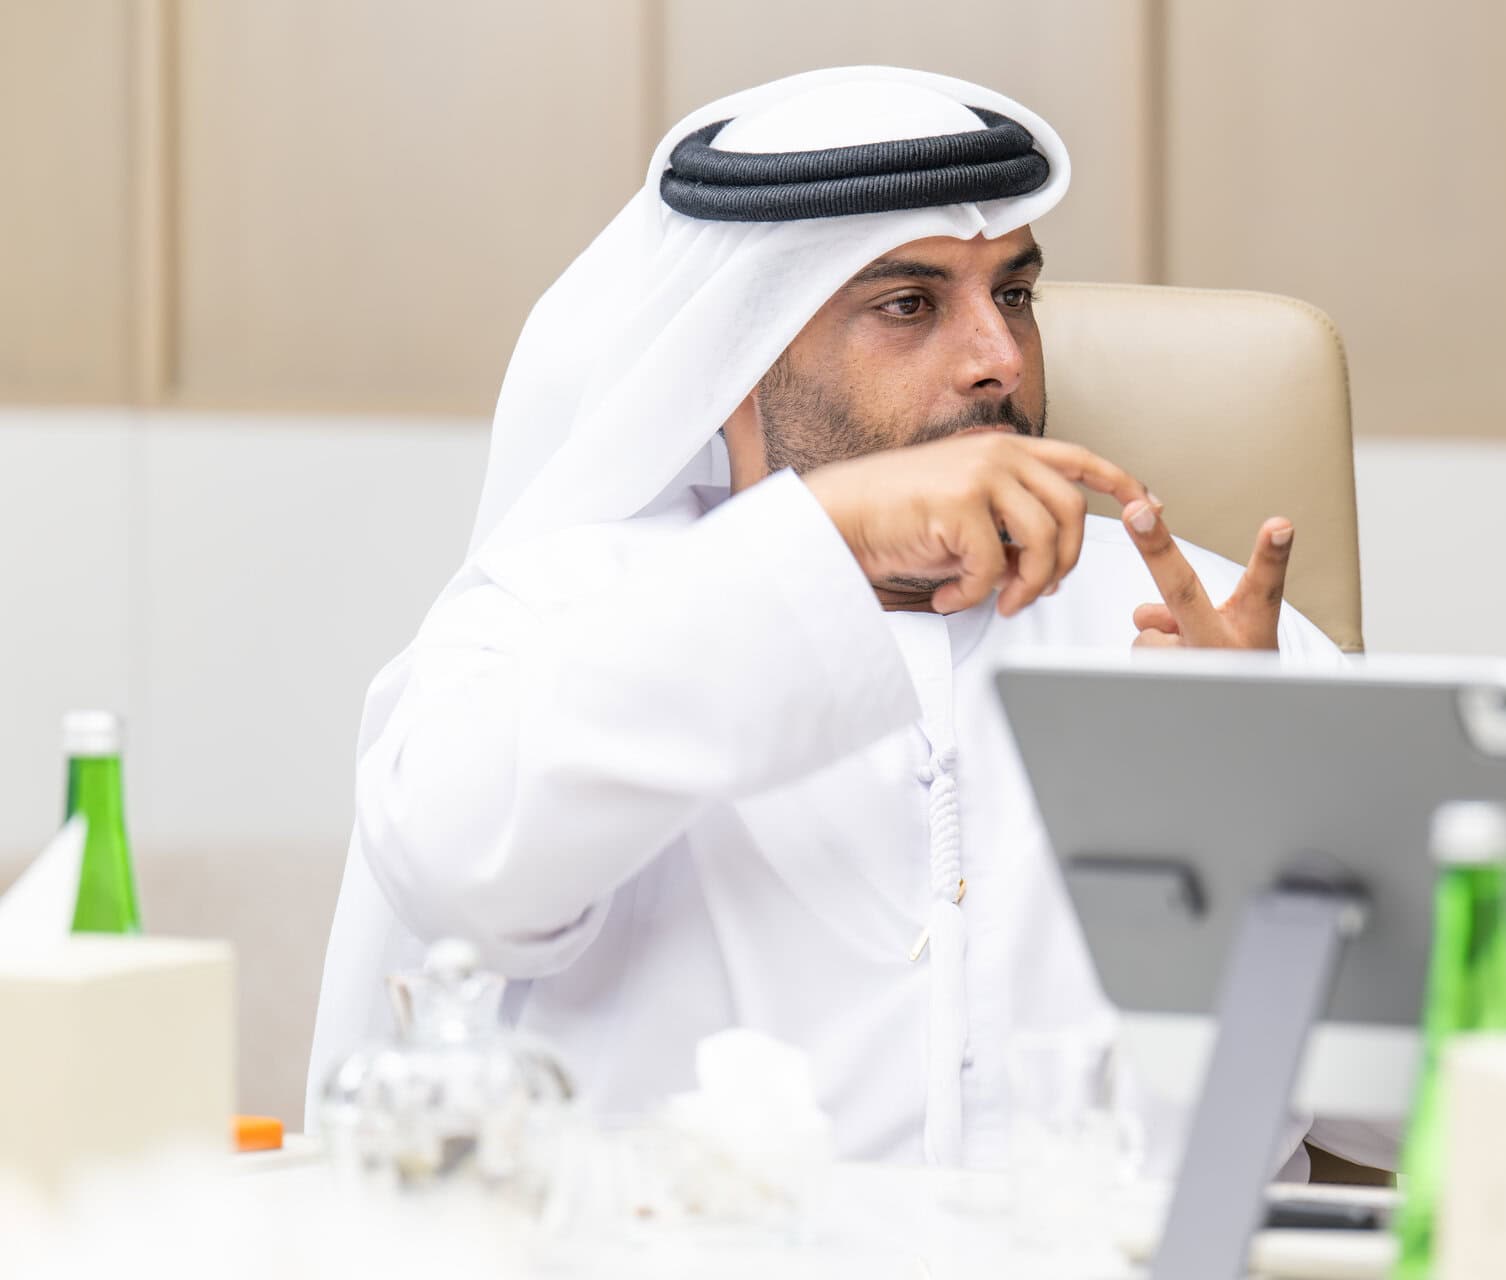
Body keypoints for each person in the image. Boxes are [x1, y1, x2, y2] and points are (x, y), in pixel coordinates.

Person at [308, 66, 1368, 1176]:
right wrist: (829, 538)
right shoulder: (559, 611)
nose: (999, 358)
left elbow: (1442, 1101)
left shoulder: (1197, 621)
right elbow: (455, 872)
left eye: (1013, 295)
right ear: (738, 355)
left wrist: (1260, 793)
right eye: (909, 305)